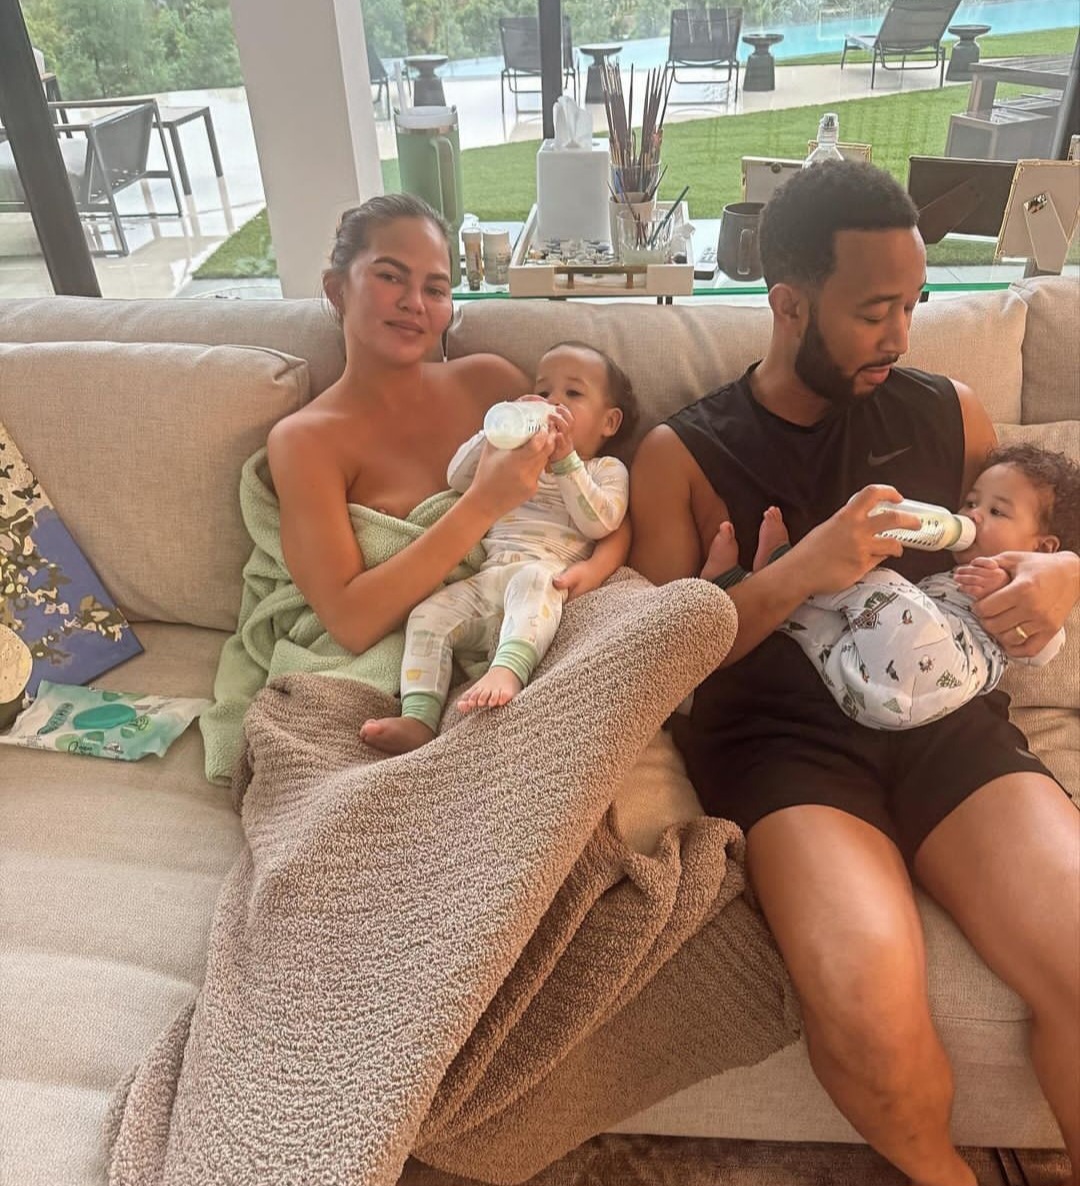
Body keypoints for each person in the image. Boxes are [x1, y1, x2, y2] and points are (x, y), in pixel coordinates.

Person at [629, 160, 1079, 1186]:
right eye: (875, 311)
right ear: (789, 304)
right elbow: (651, 668)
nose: (902, 335)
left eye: (913, 303)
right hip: (785, 752)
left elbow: (1025, 530)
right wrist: (797, 574)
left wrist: (1062, 574)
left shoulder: (949, 413)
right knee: (872, 1020)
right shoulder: (683, 456)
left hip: (950, 726)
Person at [205, 195, 629, 773]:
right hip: (403, 666)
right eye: (390, 277)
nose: (415, 303)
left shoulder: (491, 385)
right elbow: (350, 622)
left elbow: (603, 508)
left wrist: (596, 569)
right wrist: (482, 503)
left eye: (435, 288)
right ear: (337, 289)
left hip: (520, 627)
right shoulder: (305, 441)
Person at [361, 342, 637, 754]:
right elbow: (458, 478)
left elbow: (601, 521)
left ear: (609, 422)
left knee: (534, 579)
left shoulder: (605, 470)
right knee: (426, 615)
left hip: (544, 579)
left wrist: (566, 461)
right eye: (542, 392)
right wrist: (496, 433)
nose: (552, 403)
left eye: (572, 393)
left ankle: (508, 670)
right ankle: (418, 716)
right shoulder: (516, 460)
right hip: (489, 578)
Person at [701, 443, 1077, 729]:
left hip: (942, 677)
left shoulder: (1023, 589)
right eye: (970, 502)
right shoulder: (944, 577)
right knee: (821, 627)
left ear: (1043, 550)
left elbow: (1044, 645)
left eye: (996, 511)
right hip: (864, 693)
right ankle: (742, 585)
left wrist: (1005, 588)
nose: (972, 515)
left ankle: (786, 565)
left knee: (875, 583)